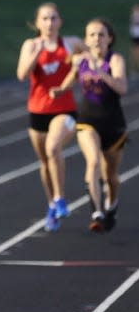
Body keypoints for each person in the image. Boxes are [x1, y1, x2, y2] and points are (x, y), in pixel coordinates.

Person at [49, 18, 128, 232]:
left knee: (111, 177)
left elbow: (122, 88)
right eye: (92, 35)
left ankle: (112, 204)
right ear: (86, 39)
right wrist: (61, 90)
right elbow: (71, 78)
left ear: (109, 39)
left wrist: (100, 72)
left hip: (113, 124)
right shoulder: (80, 60)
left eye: (101, 34)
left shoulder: (115, 60)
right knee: (92, 162)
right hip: (87, 121)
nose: (96, 39)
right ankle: (97, 213)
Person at [16, 2, 85, 232]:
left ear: (60, 22)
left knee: (53, 148)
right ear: (37, 23)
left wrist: (80, 62)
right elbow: (21, 75)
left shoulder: (71, 43)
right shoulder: (30, 45)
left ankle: (60, 197)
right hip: (38, 111)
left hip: (64, 109)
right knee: (45, 163)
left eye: (54, 18)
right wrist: (35, 54)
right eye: (45, 19)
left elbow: (92, 56)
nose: (49, 23)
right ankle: (52, 204)